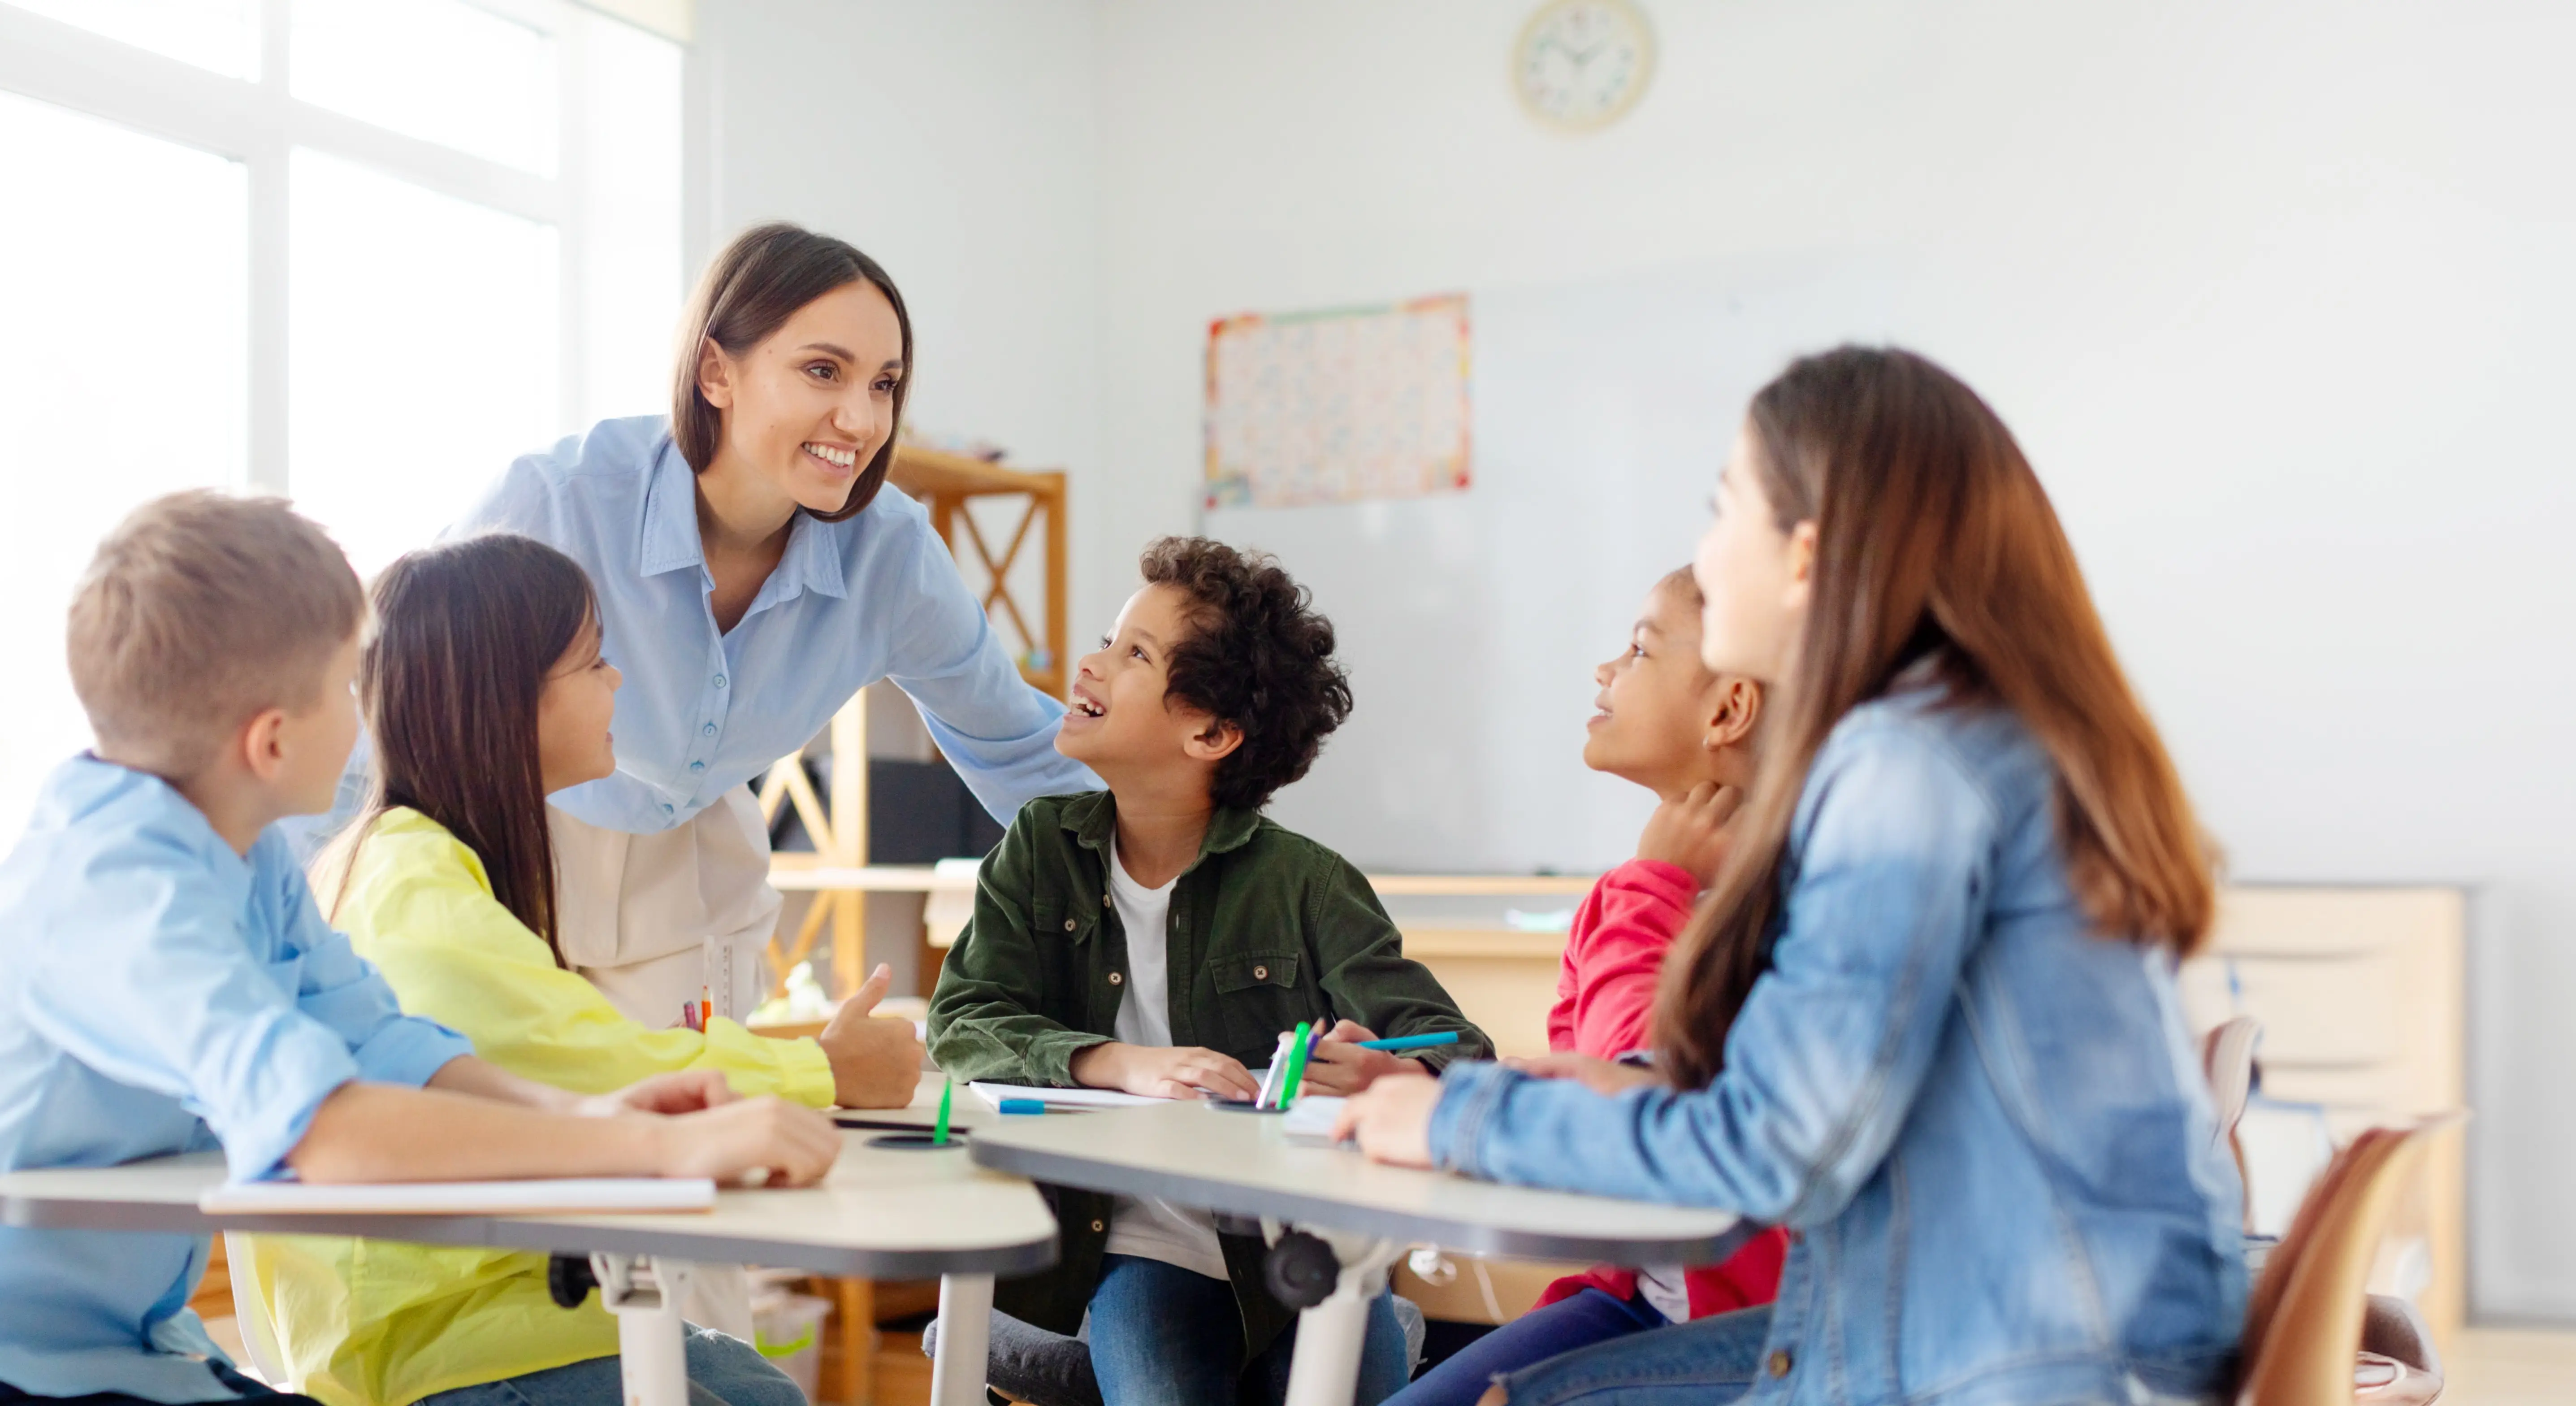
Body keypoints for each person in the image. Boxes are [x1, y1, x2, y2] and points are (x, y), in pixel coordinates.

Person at [1338, 347, 2250, 1406]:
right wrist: (1642, 1080)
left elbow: (1776, 1152)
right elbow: (1849, 1095)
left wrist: (1450, 1121)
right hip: (2011, 1326)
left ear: (1807, 555)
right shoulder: (1972, 737)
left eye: (1724, 510)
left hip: (2001, 1360)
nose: (1706, 552)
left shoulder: (1904, 768)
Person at [0, 493, 839, 1406]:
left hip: (136, 1350)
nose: (373, 706)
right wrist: (643, 1148)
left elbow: (389, 1046)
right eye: (347, 682)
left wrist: (590, 1114)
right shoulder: (119, 892)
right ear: (273, 740)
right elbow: (327, 1127)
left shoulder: (240, 861)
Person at [247, 533, 920, 1406]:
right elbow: (580, 1059)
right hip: (444, 1350)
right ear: (503, 696)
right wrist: (825, 1069)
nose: (618, 682)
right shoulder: (406, 880)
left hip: (509, 1319)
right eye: (593, 660)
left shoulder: (426, 863)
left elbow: (576, 1049)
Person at [429, 222, 1095, 1031]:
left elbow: (1016, 742)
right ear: (717, 370)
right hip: (514, 837)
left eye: (884, 384)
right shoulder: (557, 503)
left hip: (696, 865)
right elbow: (395, 713)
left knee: (693, 1124)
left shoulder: (890, 554)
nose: (859, 419)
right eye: (823, 371)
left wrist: (1199, 855)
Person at [926, 538, 1487, 1406]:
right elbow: (962, 1020)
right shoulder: (1040, 849)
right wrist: (1116, 1062)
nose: (1091, 663)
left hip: (1299, 1250)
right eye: (1112, 640)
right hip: (1135, 1248)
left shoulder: (1307, 882)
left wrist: (1394, 1070)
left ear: (1211, 732)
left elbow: (1464, 1056)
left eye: (1134, 654)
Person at [1385, 568, 1788, 1406]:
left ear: (1726, 711)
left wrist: (1655, 882)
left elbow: (1628, 1094)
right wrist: (1419, 1086)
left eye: (1639, 649)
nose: (1605, 671)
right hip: (1642, 1300)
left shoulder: (1777, 904)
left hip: (1772, 1322)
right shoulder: (1630, 896)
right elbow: (1574, 1086)